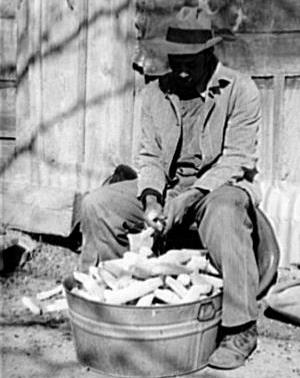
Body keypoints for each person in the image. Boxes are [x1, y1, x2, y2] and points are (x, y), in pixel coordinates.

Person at [80, 7, 262, 370]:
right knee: (98, 204)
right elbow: (149, 157)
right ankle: (121, 303)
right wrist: (150, 199)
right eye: (174, 60)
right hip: (170, 188)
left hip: (219, 188)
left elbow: (236, 161)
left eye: (190, 62)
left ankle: (240, 326)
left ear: (209, 54)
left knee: (226, 210)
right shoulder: (155, 93)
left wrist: (189, 198)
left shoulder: (240, 90)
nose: (180, 70)